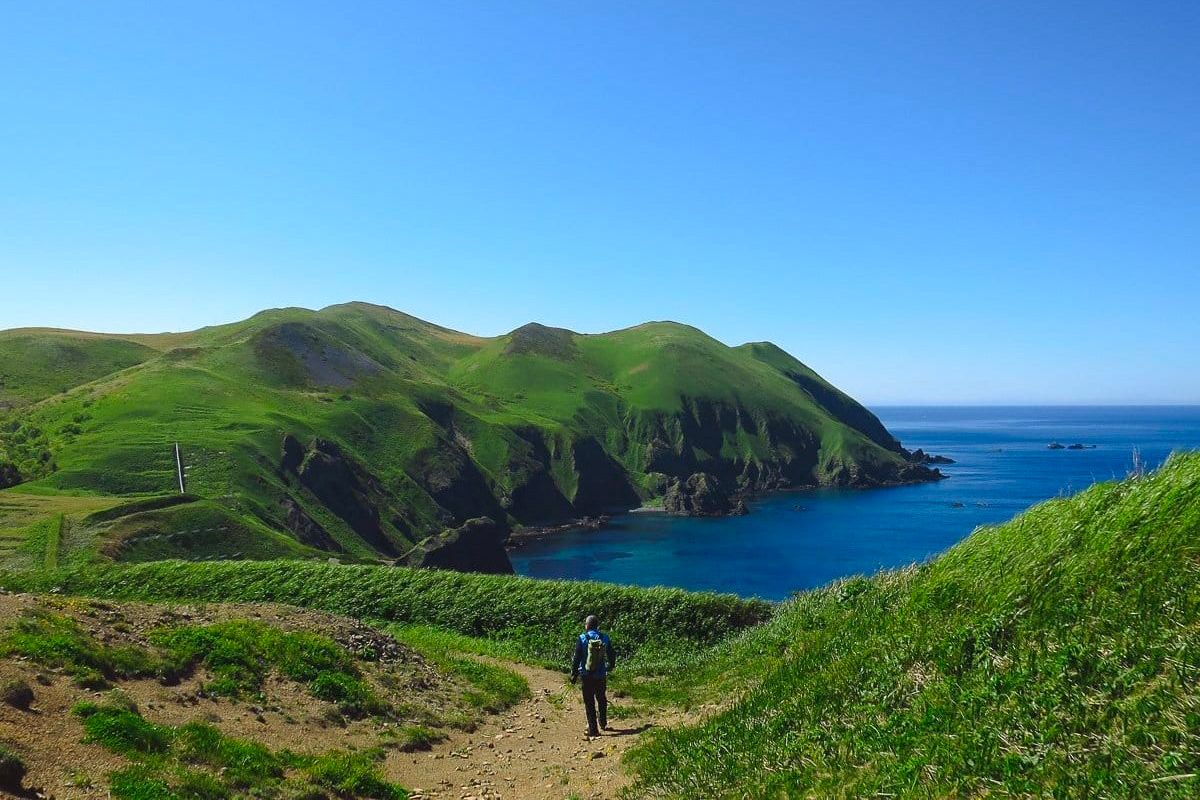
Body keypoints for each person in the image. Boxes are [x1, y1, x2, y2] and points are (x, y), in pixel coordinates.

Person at [570, 614, 616, 737]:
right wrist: (611, 665)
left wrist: (574, 674)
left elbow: (577, 657)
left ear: (587, 625)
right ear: (597, 626)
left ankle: (593, 729)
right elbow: (611, 653)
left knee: (589, 702)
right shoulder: (604, 637)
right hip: (601, 674)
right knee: (601, 698)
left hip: (586, 675)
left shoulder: (582, 638)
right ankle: (603, 722)